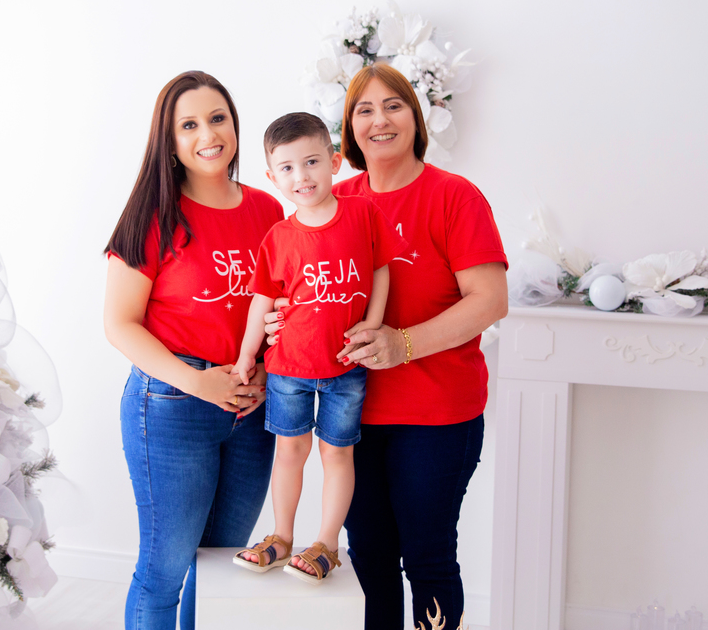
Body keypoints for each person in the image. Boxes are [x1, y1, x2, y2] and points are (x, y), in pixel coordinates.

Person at [266, 64, 508, 629]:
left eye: (393, 105)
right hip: (352, 418)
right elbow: (294, 282)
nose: (380, 120)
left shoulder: (454, 196)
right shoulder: (332, 198)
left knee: (427, 556)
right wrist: (279, 321)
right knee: (369, 560)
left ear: (415, 118)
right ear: (348, 130)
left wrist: (404, 344)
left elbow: (490, 300)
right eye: (365, 109)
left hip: (436, 416)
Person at [104, 71, 280, 630]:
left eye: (217, 118)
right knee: (165, 571)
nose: (208, 134)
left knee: (221, 570)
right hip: (172, 407)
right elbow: (120, 324)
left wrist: (266, 371)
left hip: (252, 412)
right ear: (171, 140)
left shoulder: (269, 212)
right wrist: (197, 382)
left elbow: (284, 312)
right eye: (189, 124)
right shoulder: (152, 215)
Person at [230, 112, 406, 583]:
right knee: (290, 450)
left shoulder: (363, 214)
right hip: (288, 367)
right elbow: (262, 299)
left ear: (334, 162)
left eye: (311, 162)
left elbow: (381, 269)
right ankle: (281, 537)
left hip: (345, 367)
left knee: (337, 454)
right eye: (287, 168)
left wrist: (372, 324)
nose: (301, 176)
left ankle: (326, 544)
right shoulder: (278, 237)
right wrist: (247, 354)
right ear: (272, 178)